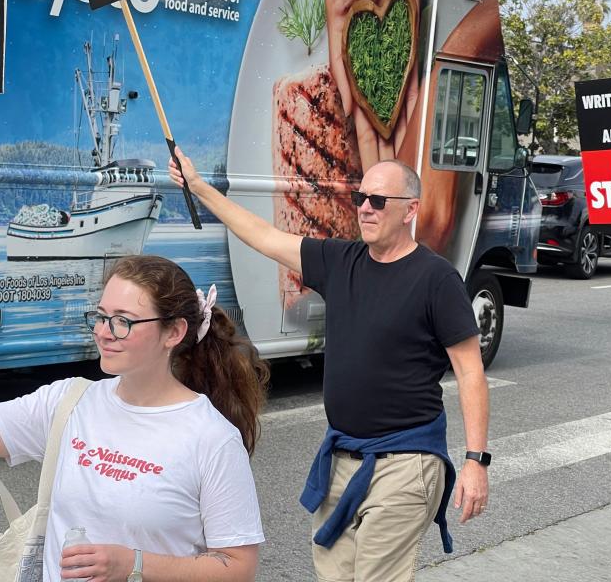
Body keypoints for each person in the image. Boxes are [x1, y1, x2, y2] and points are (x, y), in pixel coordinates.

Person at [170, 151, 489, 582]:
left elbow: (470, 371)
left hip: (406, 460)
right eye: (361, 197)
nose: (365, 208)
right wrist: (200, 186)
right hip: (341, 457)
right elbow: (263, 236)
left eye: (379, 201)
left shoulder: (436, 279)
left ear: (410, 210)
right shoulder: (341, 261)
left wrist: (475, 461)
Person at [0, 254, 268, 582]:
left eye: (124, 321)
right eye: (101, 316)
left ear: (174, 332)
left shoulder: (212, 438)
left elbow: (236, 567)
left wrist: (133, 564)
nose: (104, 332)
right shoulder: (68, 401)